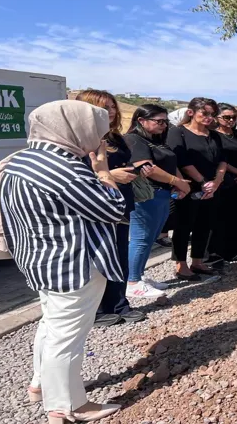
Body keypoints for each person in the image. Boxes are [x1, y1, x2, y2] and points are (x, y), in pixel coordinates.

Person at [0, 100, 125, 422]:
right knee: (67, 338)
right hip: (74, 263)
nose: (100, 140)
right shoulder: (65, 168)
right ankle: (67, 406)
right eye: (96, 131)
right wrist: (103, 172)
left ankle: (41, 385)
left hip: (40, 259)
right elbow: (113, 209)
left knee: (51, 326)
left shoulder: (20, 159)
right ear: (73, 128)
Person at [76, 91, 147, 324]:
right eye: (104, 107)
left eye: (113, 106)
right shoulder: (78, 139)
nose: (111, 111)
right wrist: (110, 174)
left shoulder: (115, 138)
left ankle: (119, 304)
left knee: (119, 255)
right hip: (94, 207)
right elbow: (73, 176)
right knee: (97, 258)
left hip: (120, 203)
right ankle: (96, 310)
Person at [124, 105, 191, 298]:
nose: (163, 125)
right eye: (158, 121)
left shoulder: (156, 140)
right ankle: (132, 281)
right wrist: (177, 181)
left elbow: (171, 164)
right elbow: (147, 168)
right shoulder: (134, 139)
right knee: (141, 239)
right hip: (147, 195)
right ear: (141, 120)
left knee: (150, 238)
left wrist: (179, 183)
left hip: (162, 194)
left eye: (165, 121)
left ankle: (139, 276)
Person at [166, 98, 226, 280]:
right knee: (184, 225)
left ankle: (198, 261)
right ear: (191, 112)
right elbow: (181, 160)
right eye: (205, 113)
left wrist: (216, 182)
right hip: (188, 187)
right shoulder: (178, 132)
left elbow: (222, 160)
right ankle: (181, 264)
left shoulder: (214, 135)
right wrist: (203, 182)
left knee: (205, 224)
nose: (209, 117)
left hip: (212, 187)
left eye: (212, 114)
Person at [210, 103, 237, 262]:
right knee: (224, 216)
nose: (231, 120)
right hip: (225, 177)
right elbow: (220, 159)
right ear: (217, 118)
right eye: (227, 117)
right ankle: (221, 253)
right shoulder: (213, 135)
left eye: (234, 117)